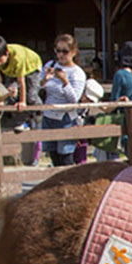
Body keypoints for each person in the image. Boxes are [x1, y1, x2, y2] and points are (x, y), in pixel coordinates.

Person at [39, 34, 86, 167]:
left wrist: (65, 81)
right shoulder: (50, 65)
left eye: (65, 51)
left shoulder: (77, 73)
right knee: (53, 155)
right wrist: (45, 79)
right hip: (49, 115)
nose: (60, 55)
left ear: (73, 52)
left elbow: (74, 99)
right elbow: (38, 88)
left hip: (65, 118)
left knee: (65, 156)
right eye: (58, 50)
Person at [0, 34, 42, 132]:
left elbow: (21, 82)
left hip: (31, 68)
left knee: (31, 95)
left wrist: (22, 102)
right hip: (10, 70)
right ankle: (17, 121)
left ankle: (39, 112)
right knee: (9, 91)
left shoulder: (17, 58)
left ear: (7, 53)